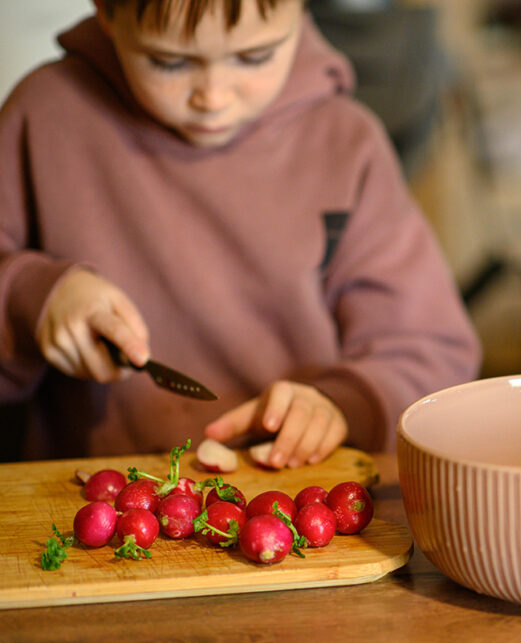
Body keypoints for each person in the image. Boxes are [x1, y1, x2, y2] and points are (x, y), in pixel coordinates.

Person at [0, 0, 481, 465]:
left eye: (255, 57)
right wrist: (31, 296)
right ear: (106, 10)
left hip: (300, 511)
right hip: (85, 514)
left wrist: (345, 405)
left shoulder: (345, 144)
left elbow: (429, 351)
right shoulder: (43, 116)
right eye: (168, 62)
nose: (213, 97)